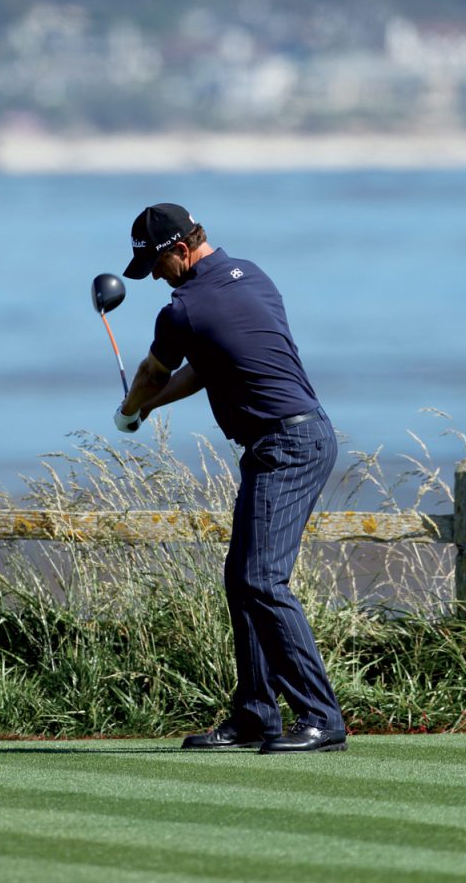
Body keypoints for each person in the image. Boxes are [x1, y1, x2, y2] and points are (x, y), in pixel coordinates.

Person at [115, 202, 345, 754]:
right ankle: (256, 716)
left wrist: (128, 411)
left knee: (261, 581)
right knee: (243, 578)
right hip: (299, 436)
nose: (155, 280)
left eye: (156, 266)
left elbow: (152, 372)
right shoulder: (250, 274)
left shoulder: (183, 310)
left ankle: (320, 718)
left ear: (178, 249)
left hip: (286, 445)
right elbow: (205, 367)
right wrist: (150, 409)